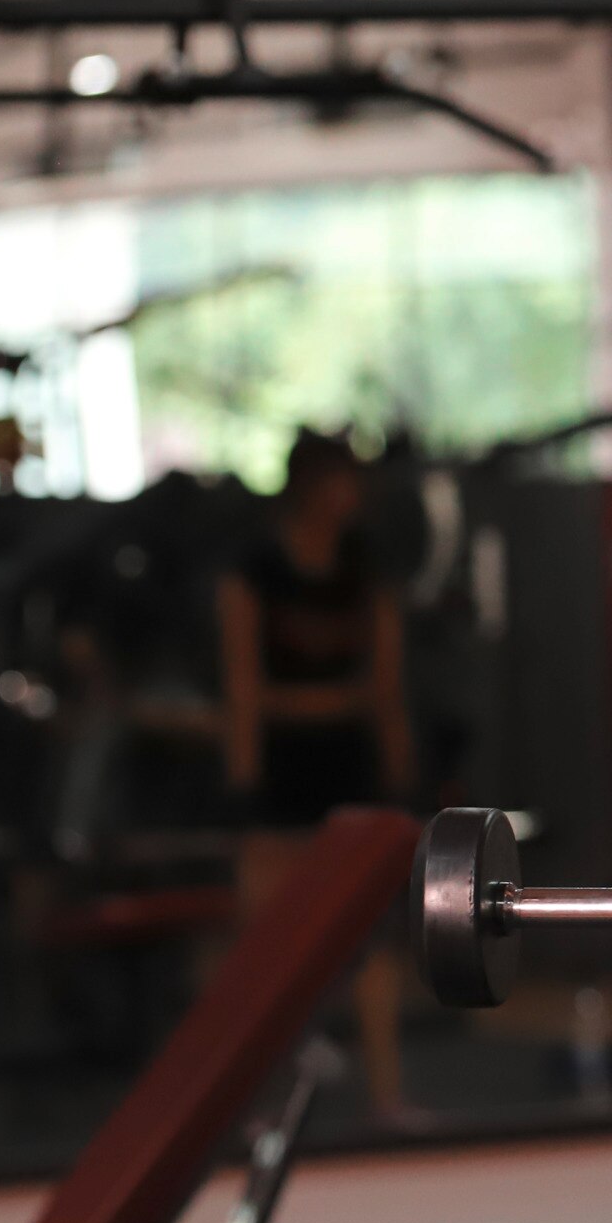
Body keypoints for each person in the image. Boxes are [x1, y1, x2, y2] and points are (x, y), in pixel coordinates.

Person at [219, 429, 419, 1120]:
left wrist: (400, 780)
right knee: (266, 952)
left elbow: (385, 685)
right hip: (281, 776)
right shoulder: (256, 572)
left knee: (369, 942)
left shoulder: (365, 568)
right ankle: (249, 1108)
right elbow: (246, 689)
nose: (350, 497)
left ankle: (388, 1100)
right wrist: (245, 789)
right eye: (340, 481)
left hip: (348, 771)